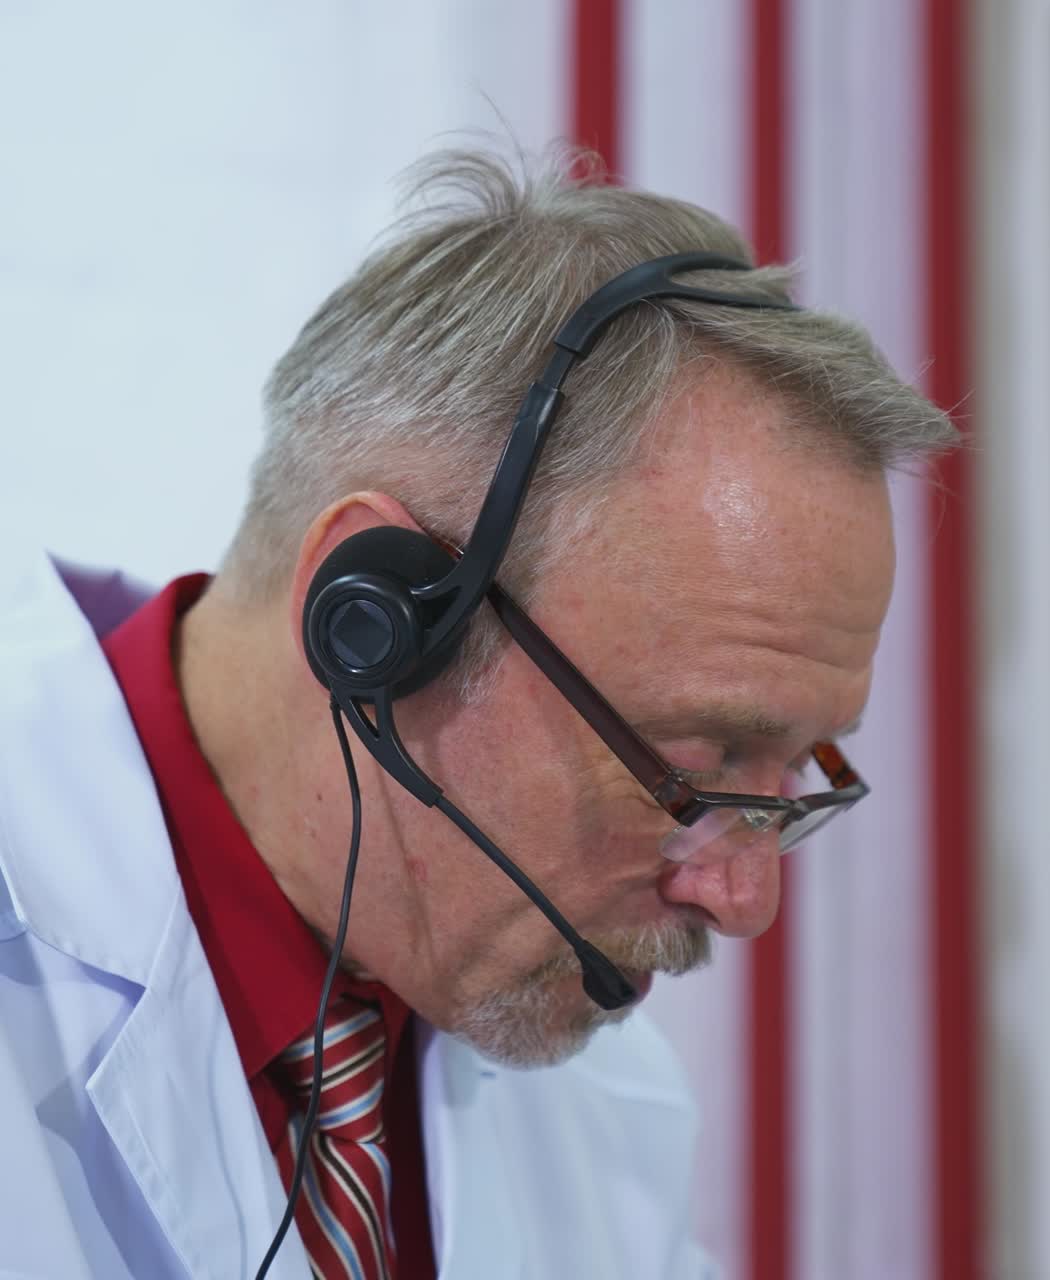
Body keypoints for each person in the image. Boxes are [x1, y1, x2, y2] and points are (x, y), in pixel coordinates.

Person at [0, 148, 954, 1279]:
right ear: (374, 618)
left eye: (789, 781)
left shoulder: (610, 1119)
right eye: (694, 769)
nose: (743, 898)